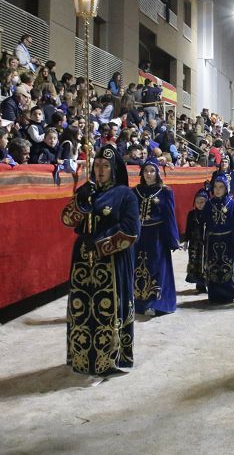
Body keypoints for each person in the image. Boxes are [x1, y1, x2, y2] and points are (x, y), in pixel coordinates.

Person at [60, 146, 140, 375]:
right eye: (96, 165)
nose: (100, 170)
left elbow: (131, 232)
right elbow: (67, 219)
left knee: (110, 308)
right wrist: (81, 202)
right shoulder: (88, 191)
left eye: (105, 166)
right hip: (83, 260)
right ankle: (83, 356)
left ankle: (111, 358)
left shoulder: (126, 194)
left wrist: (101, 244)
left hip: (112, 262)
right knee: (82, 307)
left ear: (114, 169)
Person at [132, 159, 179, 317]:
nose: (149, 174)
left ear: (157, 173)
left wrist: (173, 238)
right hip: (140, 236)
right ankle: (139, 302)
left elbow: (170, 215)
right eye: (146, 171)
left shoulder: (165, 191)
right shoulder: (135, 191)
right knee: (139, 269)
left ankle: (156, 303)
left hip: (157, 236)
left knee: (157, 269)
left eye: (152, 171)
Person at [203, 173, 234, 303]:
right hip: (213, 241)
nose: (218, 190)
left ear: (226, 188)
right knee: (214, 267)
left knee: (228, 266)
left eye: (221, 187)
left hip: (227, 241)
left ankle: (229, 293)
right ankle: (214, 294)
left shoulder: (232, 204)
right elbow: (205, 223)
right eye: (215, 187)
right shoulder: (209, 204)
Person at [183, 188, 210, 293]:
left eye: (202, 202)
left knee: (205, 262)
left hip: (205, 243)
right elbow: (188, 228)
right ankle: (199, 285)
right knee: (195, 263)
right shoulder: (191, 214)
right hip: (194, 244)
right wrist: (186, 241)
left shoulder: (209, 214)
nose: (199, 204)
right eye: (197, 202)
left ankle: (206, 283)